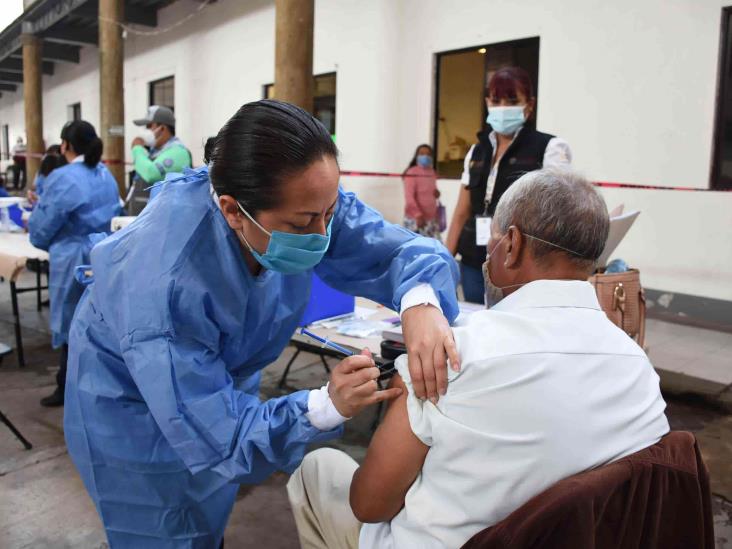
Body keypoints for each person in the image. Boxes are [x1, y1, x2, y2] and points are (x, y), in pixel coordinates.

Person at [64, 100, 461, 548]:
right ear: (233, 210)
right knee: (162, 526)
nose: (324, 232)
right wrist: (323, 405)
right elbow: (223, 434)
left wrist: (420, 300)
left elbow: (393, 248)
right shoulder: (166, 283)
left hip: (218, 380)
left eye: (329, 212)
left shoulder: (301, 199)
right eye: (305, 222)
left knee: (208, 514)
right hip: (134, 411)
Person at [286, 168, 670, 549]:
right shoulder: (637, 367)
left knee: (315, 470)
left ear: (512, 244)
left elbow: (369, 503)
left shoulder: (451, 358)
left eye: (494, 239)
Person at [445, 66, 572, 303]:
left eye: (512, 100)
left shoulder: (549, 148)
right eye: (496, 100)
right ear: (487, 103)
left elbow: (557, 218)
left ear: (529, 105)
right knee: (475, 323)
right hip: (473, 261)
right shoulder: (477, 151)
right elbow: (461, 212)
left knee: (512, 330)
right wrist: (444, 262)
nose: (503, 107)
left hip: (519, 265)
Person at [28, 121, 121, 407]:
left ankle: (67, 387)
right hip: (103, 254)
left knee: (72, 324)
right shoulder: (106, 174)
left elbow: (42, 228)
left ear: (65, 145)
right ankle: (98, 386)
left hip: (72, 258)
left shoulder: (64, 177)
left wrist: (48, 241)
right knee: (98, 321)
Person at [131, 105, 192, 184]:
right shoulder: (155, 151)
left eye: (149, 126)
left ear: (162, 128)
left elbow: (151, 174)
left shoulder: (179, 152)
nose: (145, 130)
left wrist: (137, 148)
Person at [402, 144, 441, 240]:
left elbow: (430, 191)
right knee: (414, 249)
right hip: (416, 219)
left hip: (431, 220)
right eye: (422, 153)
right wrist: (417, 215)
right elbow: (409, 197)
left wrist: (437, 193)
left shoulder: (432, 172)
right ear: (417, 156)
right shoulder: (411, 172)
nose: (425, 156)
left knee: (433, 249)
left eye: (428, 154)